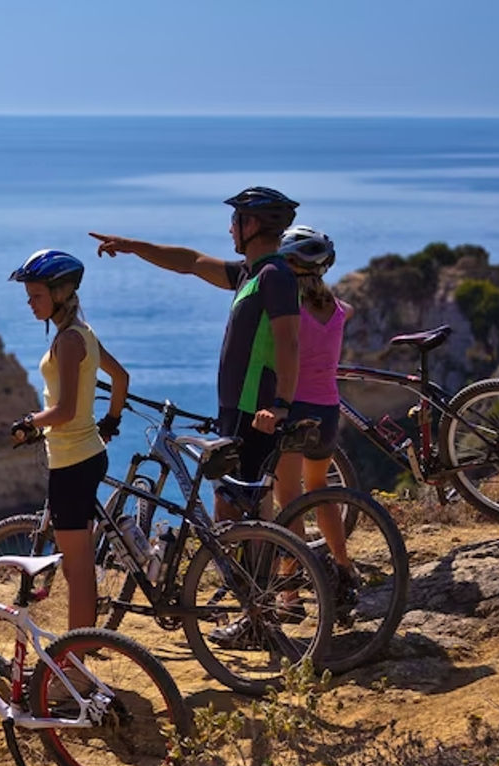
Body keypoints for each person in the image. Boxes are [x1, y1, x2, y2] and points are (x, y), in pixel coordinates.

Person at [89, 187, 303, 520]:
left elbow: (289, 343)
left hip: (253, 410)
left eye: (235, 220)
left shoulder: (275, 277)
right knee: (241, 504)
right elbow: (190, 262)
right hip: (235, 408)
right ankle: (255, 571)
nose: (230, 228)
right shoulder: (250, 273)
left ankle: (255, 572)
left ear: (253, 225)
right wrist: (133, 247)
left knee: (233, 506)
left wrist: (281, 405)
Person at [4, 250, 130, 630]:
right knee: (78, 566)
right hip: (83, 454)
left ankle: (77, 664)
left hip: (73, 462)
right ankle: (83, 649)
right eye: (28, 296)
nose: (30, 303)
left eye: (36, 296)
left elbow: (66, 411)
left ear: (61, 292)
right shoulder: (81, 333)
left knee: (78, 571)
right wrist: (109, 422)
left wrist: (29, 423)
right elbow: (121, 378)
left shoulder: (70, 340)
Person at [277, 225, 359, 606]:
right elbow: (349, 308)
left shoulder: (289, 308)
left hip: (296, 411)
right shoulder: (338, 310)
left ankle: (289, 592)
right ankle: (343, 568)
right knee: (320, 491)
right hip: (328, 410)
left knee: (289, 500)